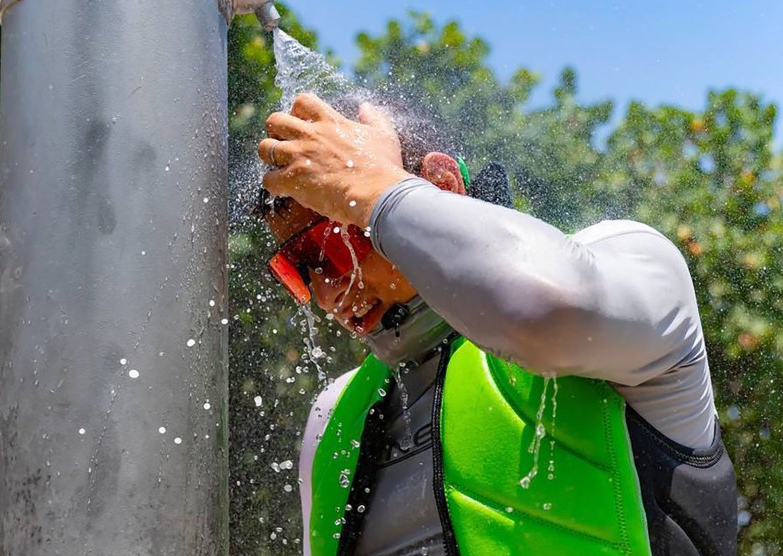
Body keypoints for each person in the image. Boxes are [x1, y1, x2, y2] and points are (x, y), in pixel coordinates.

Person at [255, 93, 737, 555]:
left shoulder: (636, 264)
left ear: (442, 186)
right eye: (300, 268)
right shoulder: (333, 414)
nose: (325, 292)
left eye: (334, 242)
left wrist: (377, 191)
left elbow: (544, 311)